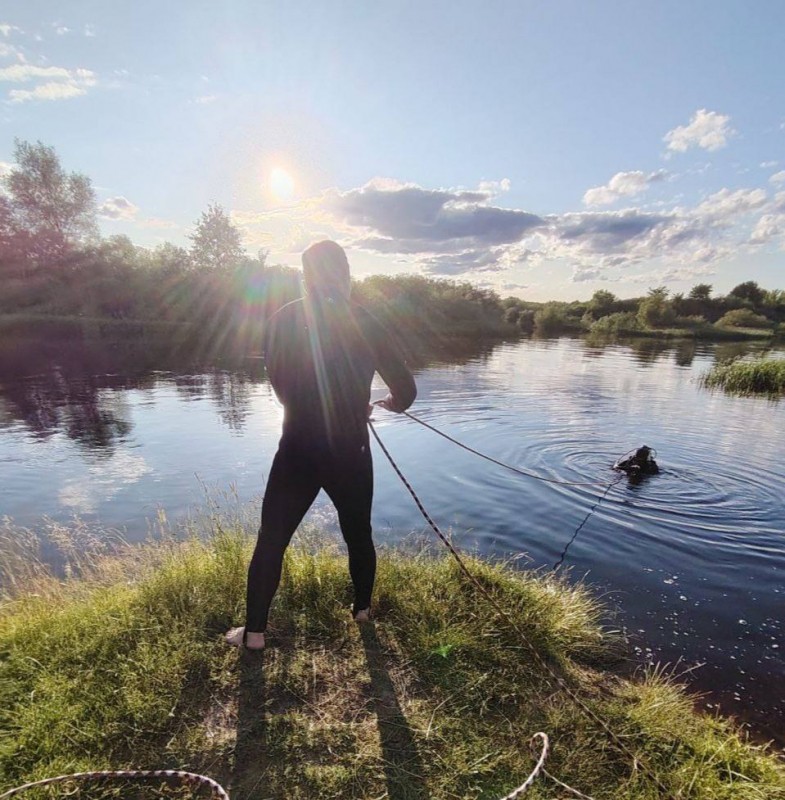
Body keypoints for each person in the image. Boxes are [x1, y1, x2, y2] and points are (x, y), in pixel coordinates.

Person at [226, 241, 417, 650]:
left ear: (305, 277)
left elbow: (279, 385)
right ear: (346, 274)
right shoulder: (366, 320)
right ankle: (362, 612)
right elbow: (406, 390)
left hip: (296, 446)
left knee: (272, 538)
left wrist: (306, 408)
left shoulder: (283, 318)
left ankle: (254, 634)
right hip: (350, 448)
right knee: (358, 533)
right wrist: (382, 403)